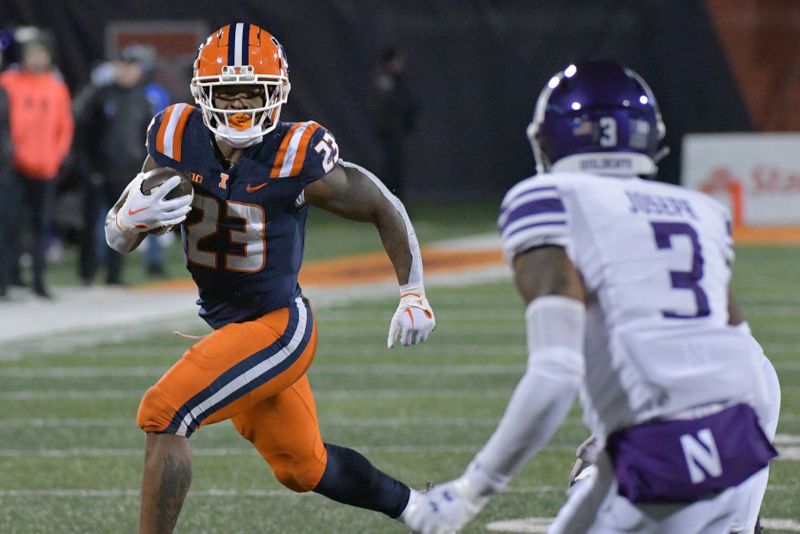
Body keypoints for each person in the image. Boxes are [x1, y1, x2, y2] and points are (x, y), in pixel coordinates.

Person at [404, 61, 780, 533]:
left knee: (599, 477)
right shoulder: (699, 209)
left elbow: (555, 373)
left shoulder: (548, 199)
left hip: (669, 450)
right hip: (744, 422)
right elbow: (741, 347)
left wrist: (468, 492)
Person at [104, 23, 436, 533]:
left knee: (164, 411)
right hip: (231, 329)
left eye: (251, 93)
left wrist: (413, 292)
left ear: (276, 93)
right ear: (202, 94)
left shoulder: (294, 152)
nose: (239, 104)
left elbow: (380, 203)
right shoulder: (174, 135)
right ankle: (422, 509)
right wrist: (128, 223)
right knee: (304, 468)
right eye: (227, 93)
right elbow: (121, 235)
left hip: (279, 326)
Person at [0, 30, 73, 298]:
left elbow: (64, 126)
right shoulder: (8, 82)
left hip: (46, 167)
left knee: (40, 227)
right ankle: (5, 282)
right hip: (14, 167)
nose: (37, 58)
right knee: (8, 225)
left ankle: (39, 282)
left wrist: (56, 156)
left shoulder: (56, 87)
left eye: (41, 53)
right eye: (32, 53)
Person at [75, 45, 154, 285]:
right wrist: (88, 167)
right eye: (123, 66)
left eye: (132, 67)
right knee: (91, 224)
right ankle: (86, 273)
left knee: (123, 226)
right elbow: (84, 133)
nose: (128, 72)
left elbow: (147, 138)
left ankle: (114, 274)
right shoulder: (100, 94)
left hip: (128, 172)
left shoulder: (142, 98)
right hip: (99, 170)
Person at [373, 47, 418, 199]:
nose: (400, 64)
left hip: (397, 132)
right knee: (389, 169)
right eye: (397, 60)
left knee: (398, 169)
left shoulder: (400, 80)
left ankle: (397, 201)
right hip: (388, 133)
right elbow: (390, 103)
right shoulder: (385, 79)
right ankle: (385, 200)